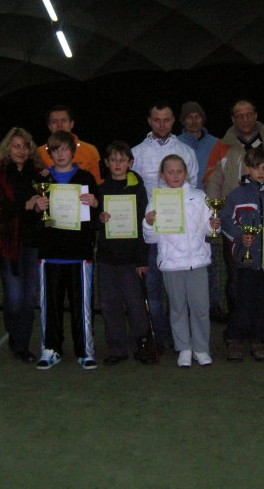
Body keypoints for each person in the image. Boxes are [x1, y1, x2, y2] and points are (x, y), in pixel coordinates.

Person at [204, 99, 264, 337]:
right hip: (237, 225)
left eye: (249, 114)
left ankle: (261, 331)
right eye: (239, 115)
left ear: (256, 115)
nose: (245, 119)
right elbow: (212, 180)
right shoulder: (222, 146)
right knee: (237, 279)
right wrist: (218, 213)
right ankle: (238, 330)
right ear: (233, 119)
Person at [132, 101, 199, 350]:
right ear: (149, 121)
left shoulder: (186, 152)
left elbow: (192, 190)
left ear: (173, 121)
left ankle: (178, 336)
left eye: (166, 120)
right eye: (157, 120)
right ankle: (159, 337)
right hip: (150, 233)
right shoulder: (136, 153)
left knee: (177, 292)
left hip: (179, 235)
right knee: (152, 289)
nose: (162, 124)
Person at [143, 155, 220, 367]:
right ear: (162, 175)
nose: (175, 176)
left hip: (198, 262)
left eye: (179, 171)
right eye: (170, 172)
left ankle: (201, 349)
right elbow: (150, 238)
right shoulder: (156, 200)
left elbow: (209, 229)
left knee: (200, 308)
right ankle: (184, 348)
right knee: (177, 308)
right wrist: (148, 223)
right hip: (171, 264)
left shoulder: (199, 196)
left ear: (185, 173)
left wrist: (214, 225)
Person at [219, 146, 264, 363]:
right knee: (243, 302)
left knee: (263, 303)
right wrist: (240, 237)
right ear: (247, 168)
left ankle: (259, 340)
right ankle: (235, 340)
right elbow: (225, 222)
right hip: (245, 261)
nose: (261, 172)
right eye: (256, 167)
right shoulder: (236, 195)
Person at [36, 131, 100, 370]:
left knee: (81, 306)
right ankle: (51, 348)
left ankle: (85, 350)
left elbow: (97, 215)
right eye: (55, 150)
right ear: (49, 153)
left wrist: (95, 203)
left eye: (64, 149)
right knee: (50, 305)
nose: (60, 154)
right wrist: (37, 207)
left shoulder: (85, 178)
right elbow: (36, 220)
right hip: (50, 253)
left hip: (79, 254)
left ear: (73, 151)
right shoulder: (42, 180)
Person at [0, 128, 45, 364]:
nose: (21, 150)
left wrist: (39, 207)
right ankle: (14, 335)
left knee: (28, 299)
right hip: (7, 244)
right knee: (14, 299)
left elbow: (41, 209)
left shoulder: (37, 174)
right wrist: (25, 206)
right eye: (16, 146)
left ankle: (21, 345)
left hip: (33, 244)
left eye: (25, 146)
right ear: (7, 148)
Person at [95, 141, 153, 366]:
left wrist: (141, 259)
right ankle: (117, 348)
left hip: (131, 260)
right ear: (106, 163)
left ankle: (142, 344)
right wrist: (99, 219)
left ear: (130, 162)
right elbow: (94, 223)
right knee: (110, 305)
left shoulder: (138, 189)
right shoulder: (100, 189)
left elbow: (142, 226)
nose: (117, 164)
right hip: (107, 259)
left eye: (122, 160)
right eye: (113, 160)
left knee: (135, 304)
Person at [176, 101, 224, 323]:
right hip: (183, 209)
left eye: (197, 116)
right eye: (189, 117)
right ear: (183, 120)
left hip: (209, 209)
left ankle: (213, 304)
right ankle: (184, 306)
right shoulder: (176, 143)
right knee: (184, 259)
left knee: (211, 260)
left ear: (203, 119)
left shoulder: (217, 144)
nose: (193, 120)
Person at [34, 105, 101, 184]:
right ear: (49, 126)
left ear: (71, 124)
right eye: (54, 122)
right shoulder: (39, 153)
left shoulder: (90, 150)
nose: (59, 125)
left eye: (63, 120)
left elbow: (97, 183)